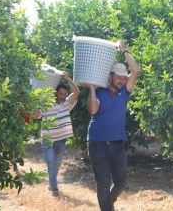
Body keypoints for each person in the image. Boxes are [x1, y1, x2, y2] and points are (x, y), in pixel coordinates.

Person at [84, 40, 139, 211]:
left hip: (117, 145)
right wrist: (92, 88)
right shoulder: (99, 92)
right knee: (103, 183)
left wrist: (123, 50)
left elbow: (136, 71)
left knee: (122, 181)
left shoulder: (124, 93)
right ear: (110, 76)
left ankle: (110, 200)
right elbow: (93, 110)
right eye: (118, 76)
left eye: (124, 77)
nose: (122, 80)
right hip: (97, 144)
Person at [35, 71, 80, 197]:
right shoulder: (45, 104)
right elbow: (35, 116)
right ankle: (54, 189)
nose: (62, 96)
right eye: (60, 94)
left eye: (65, 94)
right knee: (51, 163)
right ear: (55, 93)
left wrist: (67, 77)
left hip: (61, 139)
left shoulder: (67, 105)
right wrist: (35, 100)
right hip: (47, 140)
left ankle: (51, 183)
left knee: (57, 164)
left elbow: (76, 92)